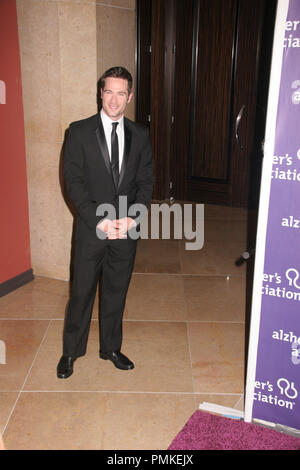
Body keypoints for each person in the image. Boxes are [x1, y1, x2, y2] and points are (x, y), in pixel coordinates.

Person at [57, 66, 154, 378]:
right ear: (100, 92)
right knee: (82, 291)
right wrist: (99, 220)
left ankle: (111, 347)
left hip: (126, 229)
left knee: (116, 290)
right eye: (109, 91)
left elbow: (146, 181)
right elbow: (73, 182)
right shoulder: (79, 131)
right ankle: (71, 352)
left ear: (130, 97)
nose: (114, 99)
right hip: (91, 229)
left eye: (121, 93)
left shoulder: (140, 135)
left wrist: (133, 217)